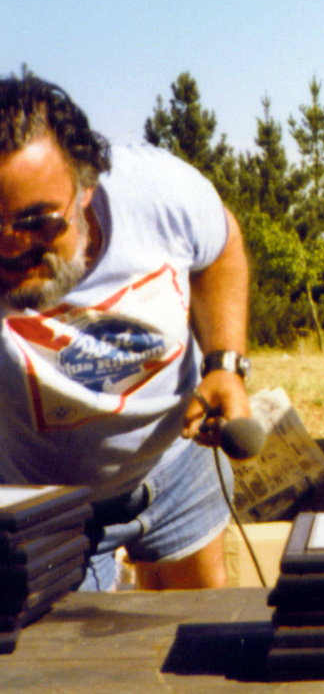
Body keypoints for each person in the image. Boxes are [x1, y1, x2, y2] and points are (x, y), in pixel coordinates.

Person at [0, 73, 251, 591]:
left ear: (86, 187)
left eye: (38, 222)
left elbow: (221, 247)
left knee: (200, 629)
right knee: (69, 647)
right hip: (46, 509)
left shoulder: (160, 194)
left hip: (178, 467)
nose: (11, 248)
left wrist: (225, 364)